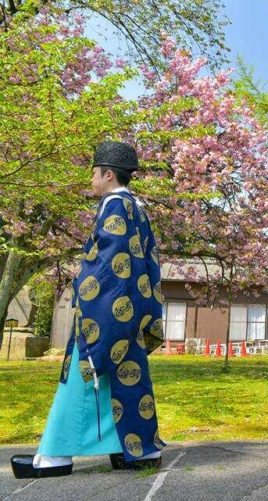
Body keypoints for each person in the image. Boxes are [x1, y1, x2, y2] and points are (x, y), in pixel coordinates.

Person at [11, 141, 166, 478]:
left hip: (106, 310)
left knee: (84, 372)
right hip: (131, 309)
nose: (91, 180)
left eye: (94, 174)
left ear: (108, 174)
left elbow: (109, 264)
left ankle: (55, 454)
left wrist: (83, 279)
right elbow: (147, 262)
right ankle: (137, 450)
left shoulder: (113, 206)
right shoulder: (137, 207)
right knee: (126, 377)